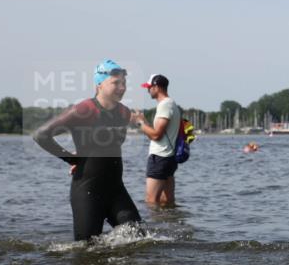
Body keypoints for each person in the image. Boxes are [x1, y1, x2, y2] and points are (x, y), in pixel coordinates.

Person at [32, 60, 142, 241]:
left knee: (139, 239)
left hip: (116, 190)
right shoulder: (84, 110)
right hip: (88, 191)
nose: (122, 87)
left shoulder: (124, 112)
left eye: (124, 83)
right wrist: (71, 159)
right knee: (85, 250)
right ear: (99, 84)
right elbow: (41, 135)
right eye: (116, 83)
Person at [131, 74, 181, 206]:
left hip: (160, 157)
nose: (148, 90)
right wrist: (143, 120)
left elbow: (155, 135)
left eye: (149, 87)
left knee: (151, 201)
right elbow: (157, 133)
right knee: (167, 201)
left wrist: (139, 123)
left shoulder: (165, 105)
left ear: (157, 87)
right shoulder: (170, 104)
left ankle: (155, 226)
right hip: (168, 157)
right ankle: (169, 225)